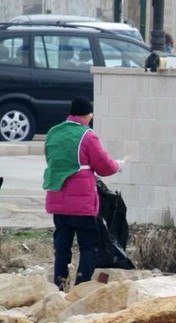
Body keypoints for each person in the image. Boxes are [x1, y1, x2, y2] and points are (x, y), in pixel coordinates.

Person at [43, 97, 122, 289]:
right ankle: (81, 286)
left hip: (58, 200)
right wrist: (119, 165)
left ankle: (60, 285)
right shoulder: (87, 135)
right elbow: (104, 167)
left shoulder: (54, 133)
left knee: (62, 246)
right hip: (83, 204)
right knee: (88, 245)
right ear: (87, 115)